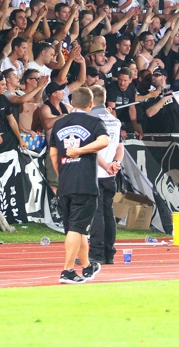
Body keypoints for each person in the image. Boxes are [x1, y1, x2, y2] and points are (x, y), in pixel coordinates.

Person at [48, 86, 110, 284]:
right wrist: (81, 151)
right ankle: (67, 271)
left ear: (71, 103)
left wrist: (62, 174)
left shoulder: (59, 124)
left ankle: (86, 266)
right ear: (91, 104)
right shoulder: (94, 122)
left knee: (77, 228)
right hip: (84, 183)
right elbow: (104, 141)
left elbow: (53, 154)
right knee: (77, 227)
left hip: (65, 183)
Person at [88, 85, 123, 265]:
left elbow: (93, 149)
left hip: (95, 172)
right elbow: (120, 146)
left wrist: (106, 165)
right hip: (110, 175)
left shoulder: (91, 120)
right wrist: (116, 163)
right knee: (108, 213)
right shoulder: (114, 120)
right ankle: (109, 252)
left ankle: (96, 253)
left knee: (97, 213)